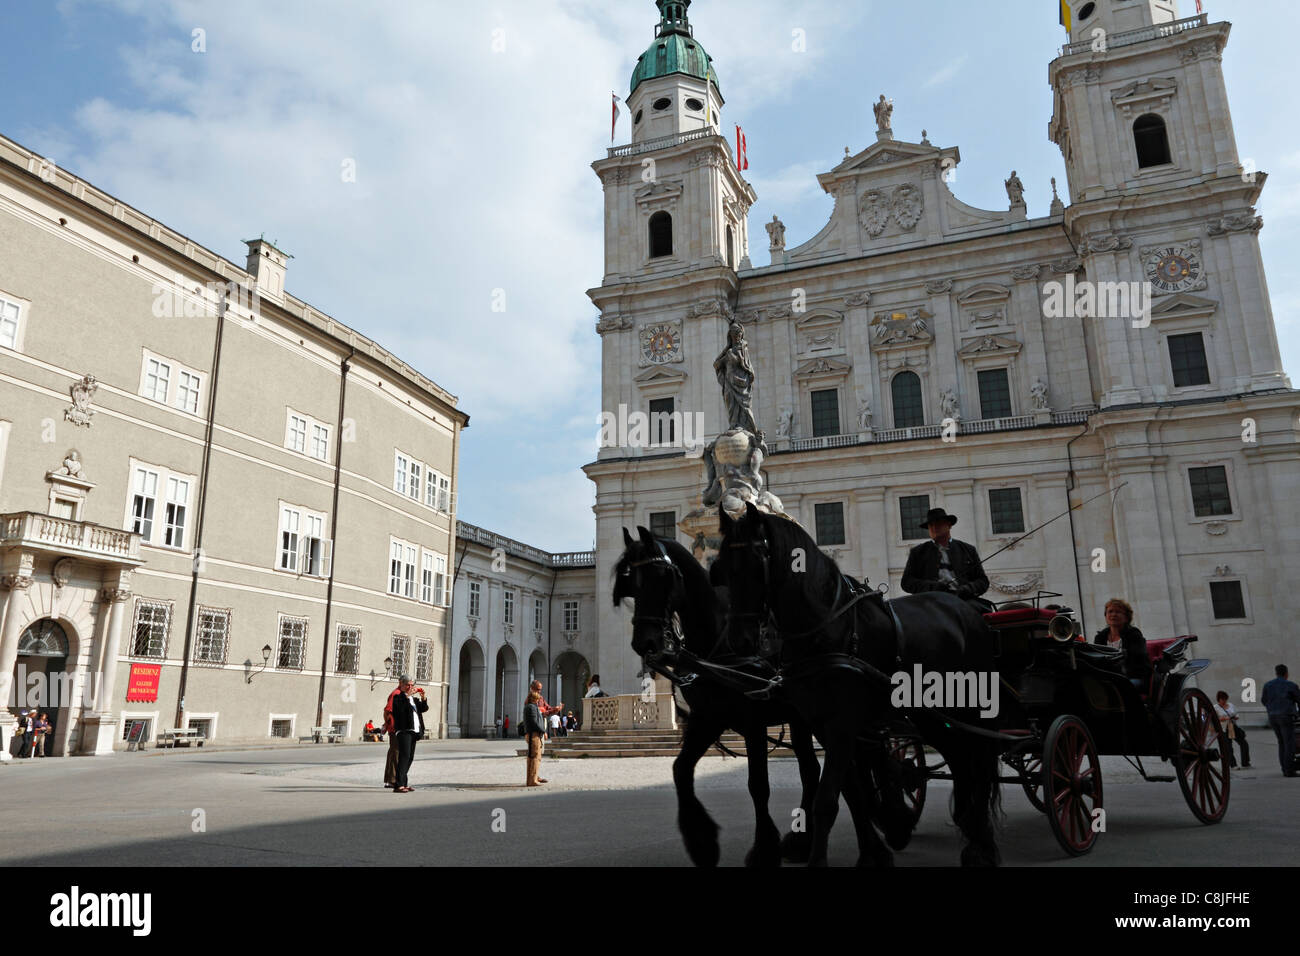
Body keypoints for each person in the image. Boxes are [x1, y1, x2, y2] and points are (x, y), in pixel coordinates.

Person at [901, 508, 990, 603]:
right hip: (930, 603)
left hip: (964, 601)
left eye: (938, 523)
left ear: (949, 525)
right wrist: (932, 587)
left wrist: (967, 589)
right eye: (931, 525)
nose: (934, 528)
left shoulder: (968, 550)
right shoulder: (918, 552)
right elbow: (907, 582)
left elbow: (983, 581)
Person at [1091, 598, 1151, 691]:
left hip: (1132, 676)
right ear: (1106, 616)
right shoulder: (1100, 637)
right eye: (1110, 611)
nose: (1113, 614)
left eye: (1118, 612)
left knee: (1121, 688)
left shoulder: (1134, 634)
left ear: (1126, 617)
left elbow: (1137, 660)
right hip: (1109, 678)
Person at [389, 675, 428, 793]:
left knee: (409, 758)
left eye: (412, 685)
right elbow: (399, 709)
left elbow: (424, 708)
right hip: (404, 730)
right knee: (404, 757)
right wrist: (407, 695)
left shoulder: (413, 700)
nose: (410, 687)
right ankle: (398, 785)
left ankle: (403, 783)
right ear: (401, 684)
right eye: (408, 685)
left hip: (414, 731)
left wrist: (423, 697)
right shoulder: (398, 697)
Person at [1261, 664, 1300, 777]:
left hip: (1273, 717)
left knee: (1281, 742)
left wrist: (1272, 709)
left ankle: (1284, 768)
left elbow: (1264, 701)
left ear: (1276, 673)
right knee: (1289, 743)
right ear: (1286, 674)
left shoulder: (1268, 685)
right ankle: (1289, 770)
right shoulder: (1291, 685)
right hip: (1286, 716)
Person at [1214, 691, 1250, 769]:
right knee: (1228, 747)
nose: (1224, 701)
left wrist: (1236, 716)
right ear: (1218, 699)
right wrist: (1222, 719)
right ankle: (1233, 764)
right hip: (1224, 728)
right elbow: (1214, 719)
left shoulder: (1230, 705)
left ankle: (1245, 762)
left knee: (1244, 743)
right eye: (1222, 699)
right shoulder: (1215, 707)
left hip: (1233, 726)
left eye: (1225, 699)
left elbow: (1236, 713)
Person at [523, 689, 548, 787]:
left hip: (532, 733)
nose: (538, 701)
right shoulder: (532, 707)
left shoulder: (529, 707)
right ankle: (532, 780)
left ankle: (530, 780)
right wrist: (543, 731)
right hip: (534, 734)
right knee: (535, 757)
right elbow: (534, 722)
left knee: (532, 756)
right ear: (533, 699)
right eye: (537, 699)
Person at [382, 685, 401, 787]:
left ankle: (391, 779)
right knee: (395, 753)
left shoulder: (400, 694)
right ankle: (392, 780)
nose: (410, 687)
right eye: (408, 684)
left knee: (394, 753)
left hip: (398, 729)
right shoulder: (396, 694)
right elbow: (387, 711)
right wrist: (388, 724)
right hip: (395, 729)